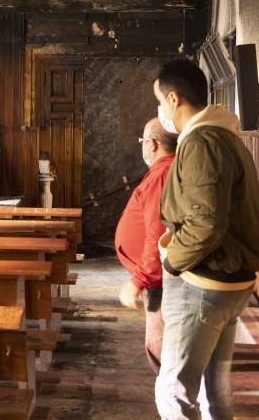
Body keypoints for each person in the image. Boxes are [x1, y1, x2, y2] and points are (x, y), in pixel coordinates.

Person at [152, 59, 259, 420]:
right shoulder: (222, 135)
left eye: (159, 100)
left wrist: (172, 262)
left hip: (204, 281)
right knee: (213, 389)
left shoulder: (203, 142)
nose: (159, 110)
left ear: (173, 99)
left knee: (173, 394)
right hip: (227, 281)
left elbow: (206, 223)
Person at [114, 117, 177, 373]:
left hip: (159, 281)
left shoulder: (162, 175)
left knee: (160, 349)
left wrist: (138, 281)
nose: (142, 146)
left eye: (142, 141)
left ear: (151, 144)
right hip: (159, 278)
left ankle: (174, 409)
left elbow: (159, 235)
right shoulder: (167, 170)